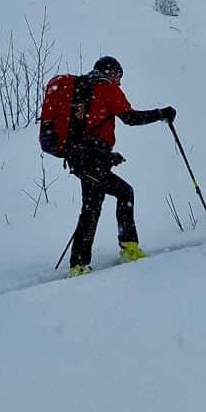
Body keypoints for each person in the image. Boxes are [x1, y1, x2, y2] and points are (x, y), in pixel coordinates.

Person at [41, 57, 174, 278]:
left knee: (114, 196)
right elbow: (130, 118)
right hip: (91, 159)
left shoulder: (82, 91)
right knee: (95, 206)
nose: (119, 83)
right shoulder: (105, 89)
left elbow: (88, 133)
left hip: (81, 158)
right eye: (118, 77)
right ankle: (82, 264)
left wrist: (109, 156)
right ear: (110, 73)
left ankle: (113, 251)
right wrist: (161, 114)